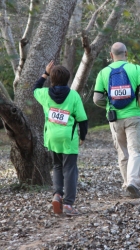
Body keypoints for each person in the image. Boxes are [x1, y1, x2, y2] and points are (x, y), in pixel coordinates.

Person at [93, 42, 140, 199]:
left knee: (122, 152)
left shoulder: (103, 72)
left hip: (114, 118)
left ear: (111, 55)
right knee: (135, 150)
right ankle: (133, 181)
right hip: (134, 115)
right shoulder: (136, 69)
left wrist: (110, 104)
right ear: (126, 53)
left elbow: (97, 98)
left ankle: (126, 183)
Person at [33, 61, 88, 216]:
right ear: (67, 79)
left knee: (57, 166)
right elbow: (82, 119)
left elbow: (35, 88)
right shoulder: (73, 96)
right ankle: (68, 205)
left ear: (52, 79)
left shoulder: (44, 95)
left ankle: (57, 195)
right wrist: (82, 136)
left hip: (51, 137)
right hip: (68, 138)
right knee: (70, 169)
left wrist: (45, 73)